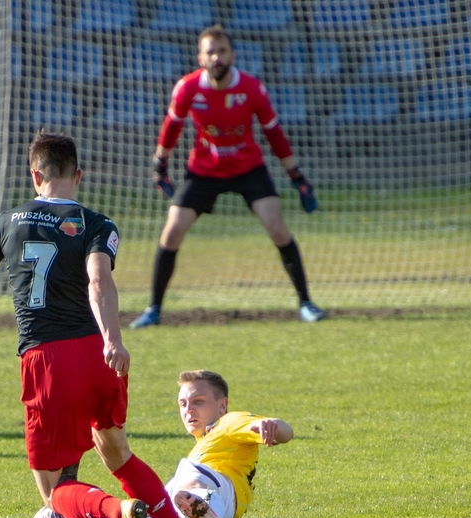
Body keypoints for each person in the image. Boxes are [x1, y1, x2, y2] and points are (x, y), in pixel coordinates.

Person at [0, 130, 200, 518]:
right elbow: (99, 282)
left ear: (35, 176)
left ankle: (118, 512)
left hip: (47, 358)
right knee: (117, 451)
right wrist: (114, 340)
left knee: (54, 494)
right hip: (98, 355)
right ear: (78, 175)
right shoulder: (97, 224)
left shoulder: (6, 222)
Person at [0, 369, 294, 518]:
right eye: (183, 403)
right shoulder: (206, 437)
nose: (189, 409)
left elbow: (272, 425)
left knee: (187, 477)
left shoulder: (228, 424)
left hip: (214, 490)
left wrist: (271, 426)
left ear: (221, 403)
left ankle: (199, 507)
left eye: (198, 401)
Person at [130, 25, 326, 329]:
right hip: (203, 170)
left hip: (248, 169)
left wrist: (296, 176)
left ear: (232, 54)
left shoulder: (251, 89)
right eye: (210, 52)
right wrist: (160, 165)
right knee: (171, 232)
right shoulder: (188, 88)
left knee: (277, 228)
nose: (216, 57)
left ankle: (306, 303)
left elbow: (274, 134)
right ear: (200, 57)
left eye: (222, 51)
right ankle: (153, 309)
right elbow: (172, 126)